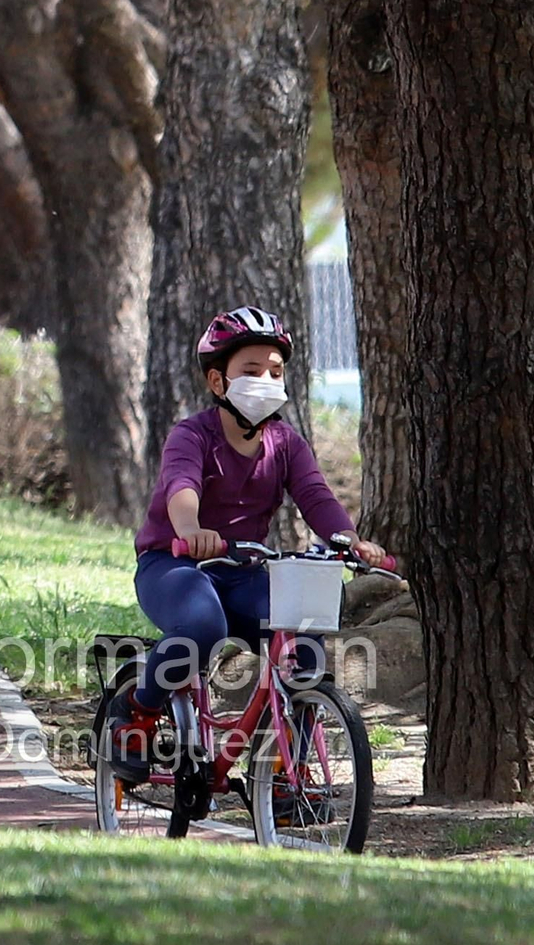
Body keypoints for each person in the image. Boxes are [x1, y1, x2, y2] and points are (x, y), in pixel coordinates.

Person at [102, 306, 388, 783]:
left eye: (275, 372)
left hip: (242, 571)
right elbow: (181, 486)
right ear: (218, 381)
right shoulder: (192, 435)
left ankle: (286, 770)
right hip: (174, 565)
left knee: (304, 631)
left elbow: (315, 496)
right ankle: (136, 712)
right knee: (201, 626)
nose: (266, 381)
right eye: (251, 371)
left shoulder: (286, 444)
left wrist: (351, 541)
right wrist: (190, 530)